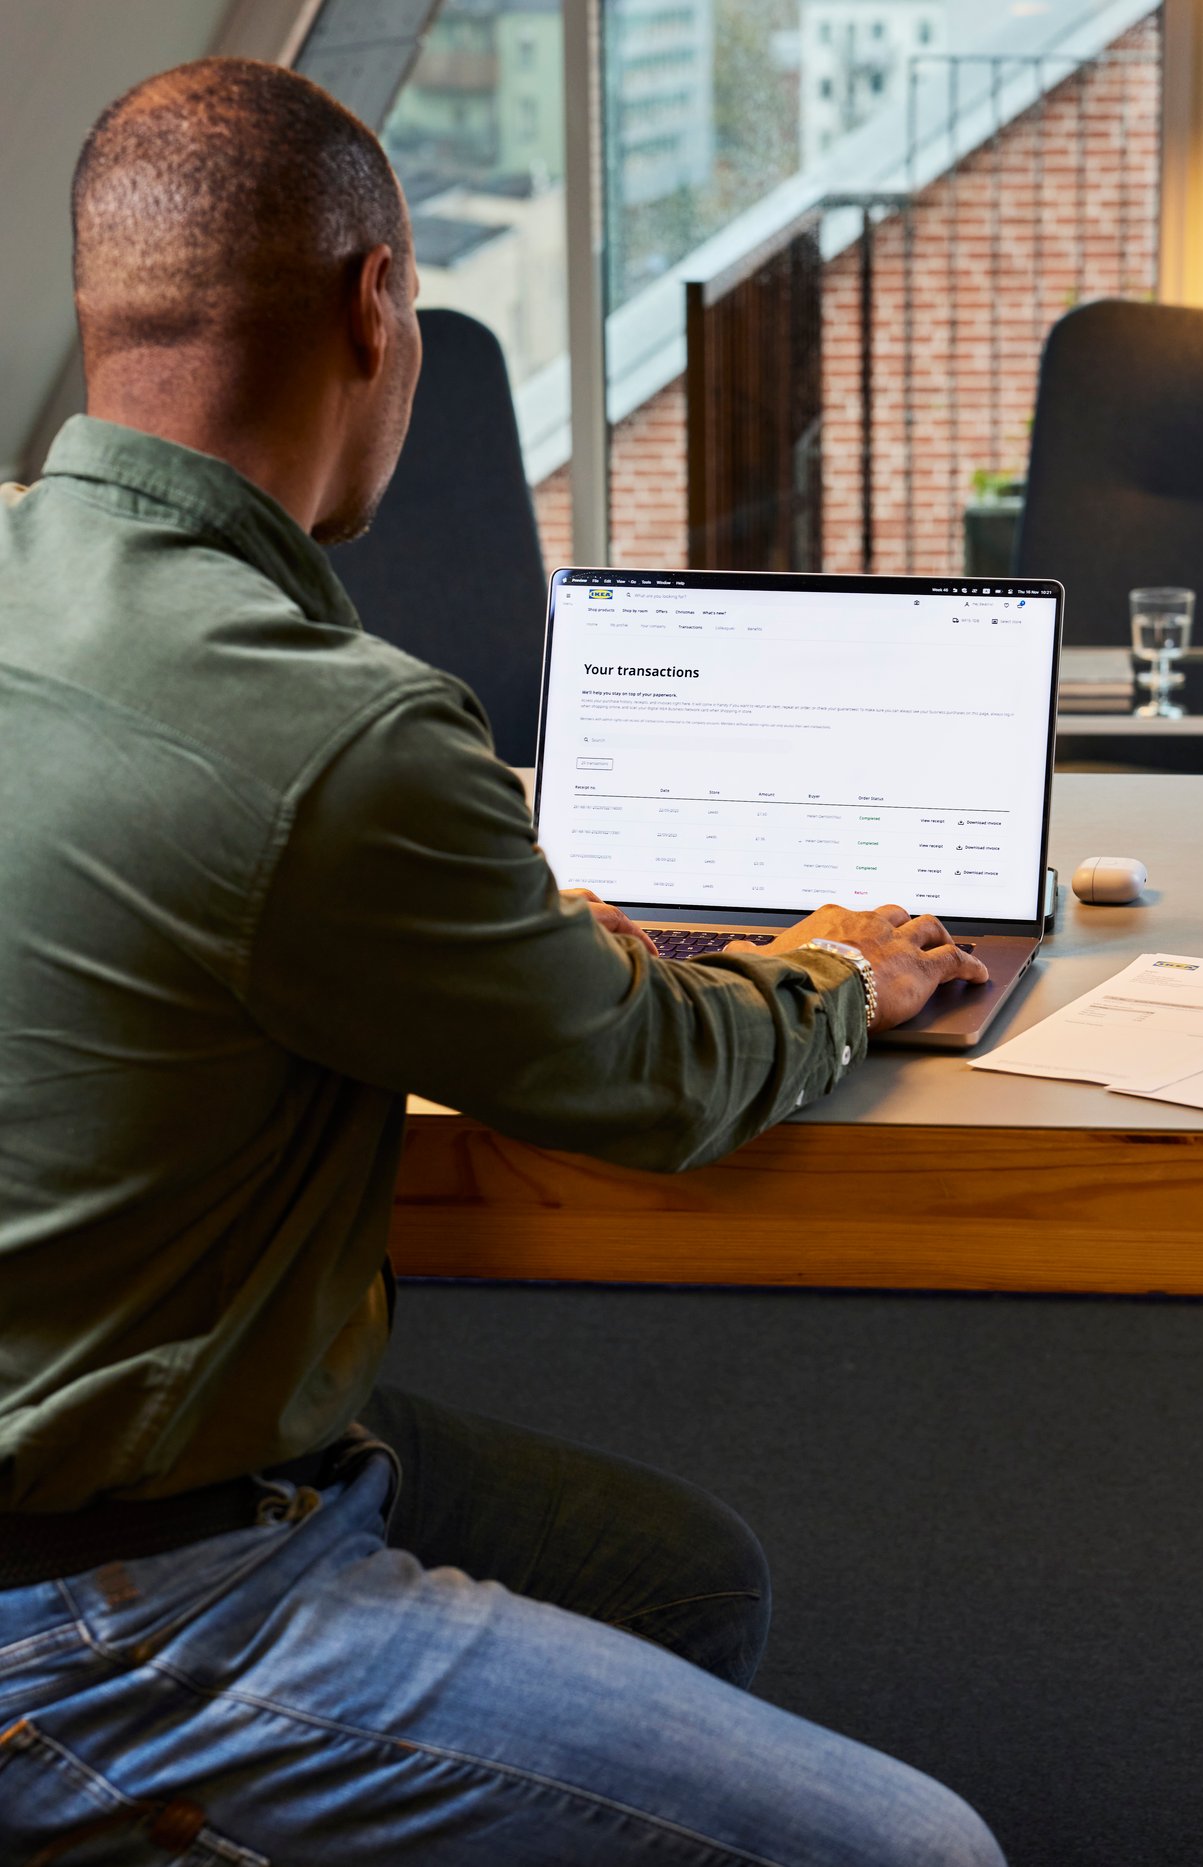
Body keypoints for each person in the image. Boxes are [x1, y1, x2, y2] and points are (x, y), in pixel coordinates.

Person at [0, 56, 1002, 1867]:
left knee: (676, 1578)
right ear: (382, 303)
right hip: (107, 1609)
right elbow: (653, 1086)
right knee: (923, 1855)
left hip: (97, 1452)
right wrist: (839, 970)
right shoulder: (340, 732)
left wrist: (513, 934)